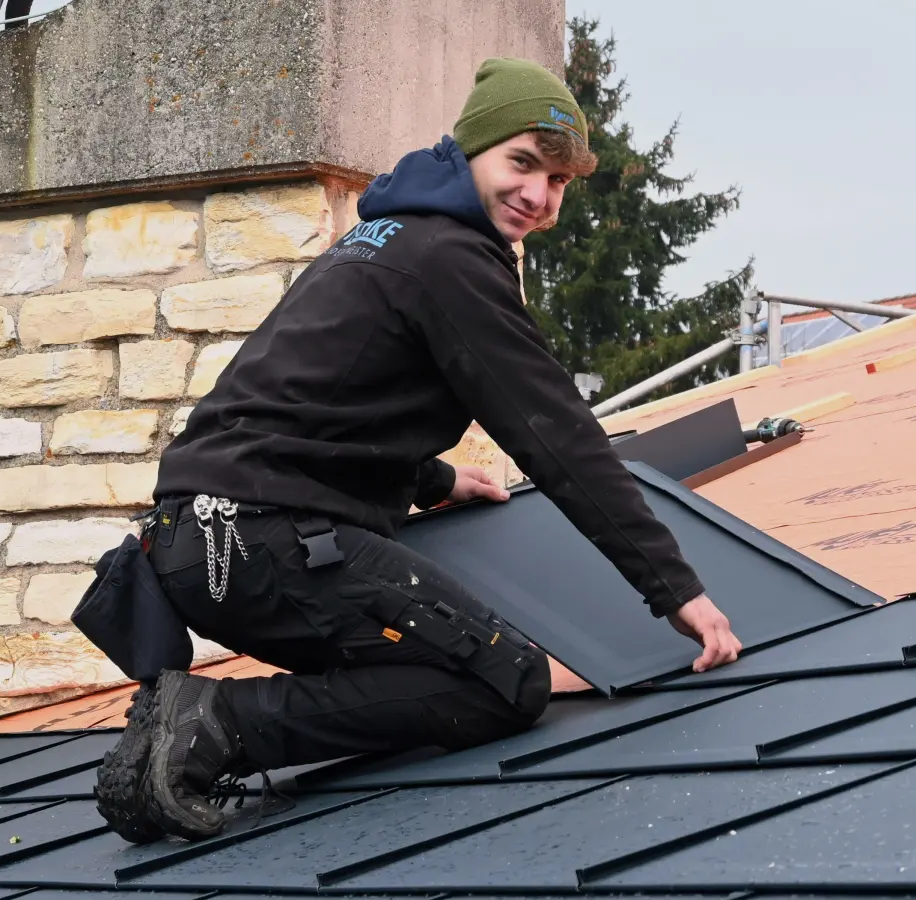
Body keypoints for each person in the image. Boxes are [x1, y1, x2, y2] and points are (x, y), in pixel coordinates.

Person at [94, 57, 743, 844]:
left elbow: (314, 402)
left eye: (560, 181)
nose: (538, 196)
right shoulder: (451, 259)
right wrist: (673, 587)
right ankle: (216, 724)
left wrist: (433, 479)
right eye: (523, 163)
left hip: (196, 543)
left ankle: (193, 734)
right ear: (471, 150)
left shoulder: (379, 239)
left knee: (409, 671)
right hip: (265, 541)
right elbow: (557, 436)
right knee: (505, 682)